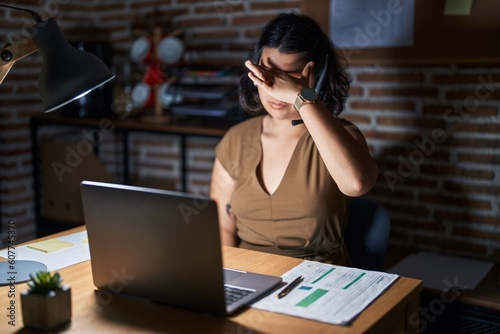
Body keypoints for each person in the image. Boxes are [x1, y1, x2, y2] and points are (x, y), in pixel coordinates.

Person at [210, 12, 378, 265]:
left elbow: (356, 184)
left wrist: (302, 98)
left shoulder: (341, 135)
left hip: (316, 281)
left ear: (317, 77)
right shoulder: (236, 139)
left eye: (290, 78)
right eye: (268, 74)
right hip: (248, 273)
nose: (276, 89)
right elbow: (223, 230)